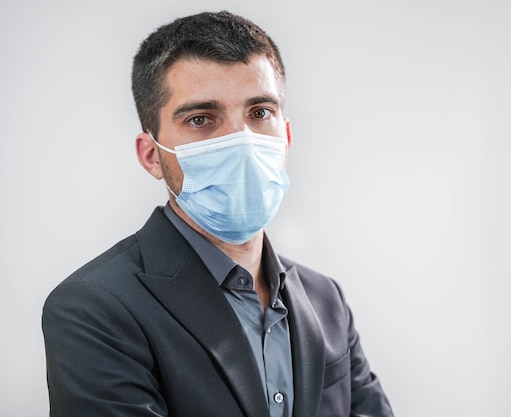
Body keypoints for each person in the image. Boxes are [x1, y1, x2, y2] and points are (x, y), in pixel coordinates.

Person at [42, 10, 394, 417]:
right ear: (152, 155)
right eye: (201, 119)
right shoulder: (94, 309)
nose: (240, 141)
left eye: (260, 112)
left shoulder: (325, 299)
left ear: (286, 136)